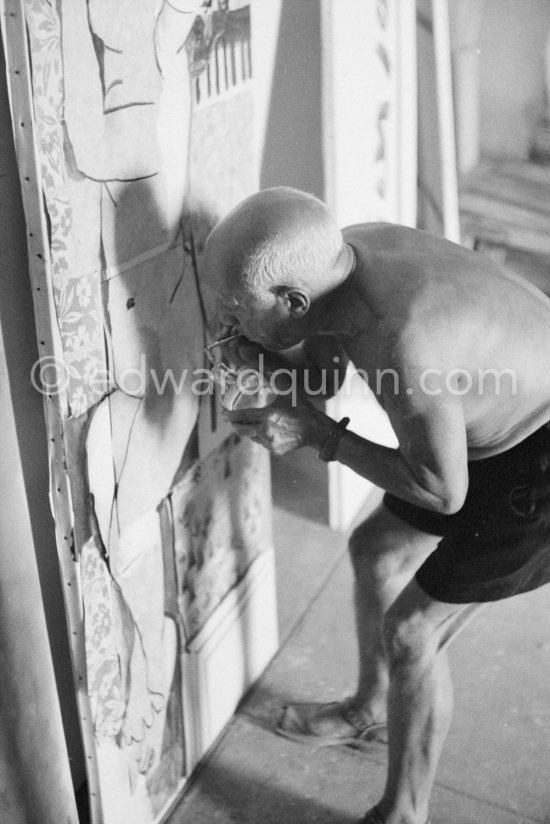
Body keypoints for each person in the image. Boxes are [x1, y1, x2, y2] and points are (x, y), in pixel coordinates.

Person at [203, 186, 550, 824]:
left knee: (413, 632)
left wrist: (317, 435)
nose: (223, 315)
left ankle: (403, 813)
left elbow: (444, 493)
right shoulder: (343, 254)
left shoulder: (403, 338)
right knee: (376, 551)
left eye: (236, 307)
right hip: (499, 421)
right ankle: (369, 708)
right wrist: (264, 357)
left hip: (541, 456)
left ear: (292, 300)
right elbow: (327, 377)